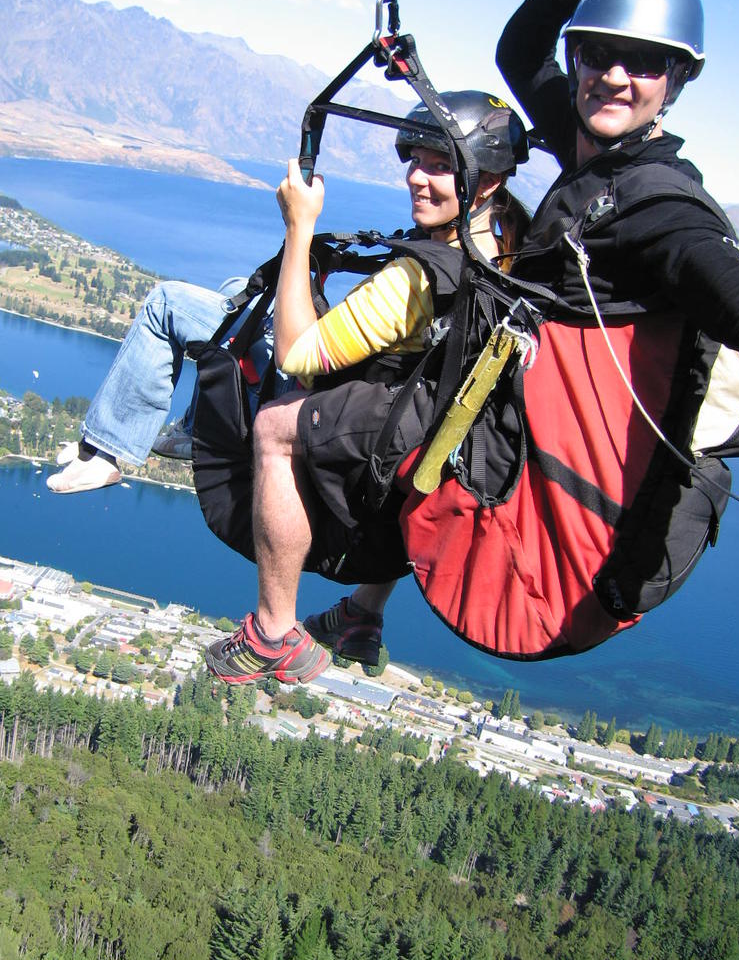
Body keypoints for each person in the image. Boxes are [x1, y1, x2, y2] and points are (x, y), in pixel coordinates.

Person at [402, 0, 739, 653]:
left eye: (644, 63)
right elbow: (521, 56)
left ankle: (280, 625)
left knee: (300, 422)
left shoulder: (658, 210)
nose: (614, 76)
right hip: (519, 433)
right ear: (578, 59)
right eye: (598, 54)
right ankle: (362, 611)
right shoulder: (592, 151)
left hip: (565, 546)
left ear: (676, 81)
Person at [204, 91, 530, 684]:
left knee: (274, 425)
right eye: (416, 160)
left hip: (404, 426)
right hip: (450, 423)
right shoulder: (511, 238)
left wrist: (300, 228)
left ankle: (273, 632)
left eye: (440, 165)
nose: (417, 178)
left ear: (487, 180)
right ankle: (362, 615)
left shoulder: (418, 277)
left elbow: (297, 355)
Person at [47, 277, 273, 493]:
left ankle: (102, 450)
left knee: (163, 305)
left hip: (284, 367)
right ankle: (194, 430)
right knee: (234, 287)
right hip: (290, 347)